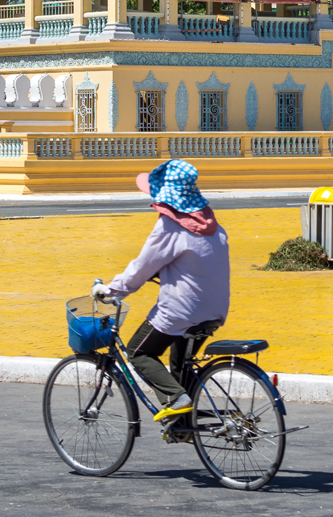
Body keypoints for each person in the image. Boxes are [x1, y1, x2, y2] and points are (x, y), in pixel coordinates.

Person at [94, 159, 231, 428]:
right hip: (213, 310)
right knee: (179, 364)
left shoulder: (170, 227)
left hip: (182, 311)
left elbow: (141, 268)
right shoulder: (212, 226)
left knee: (138, 352)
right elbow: (195, 263)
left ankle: (175, 399)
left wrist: (111, 289)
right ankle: (182, 425)